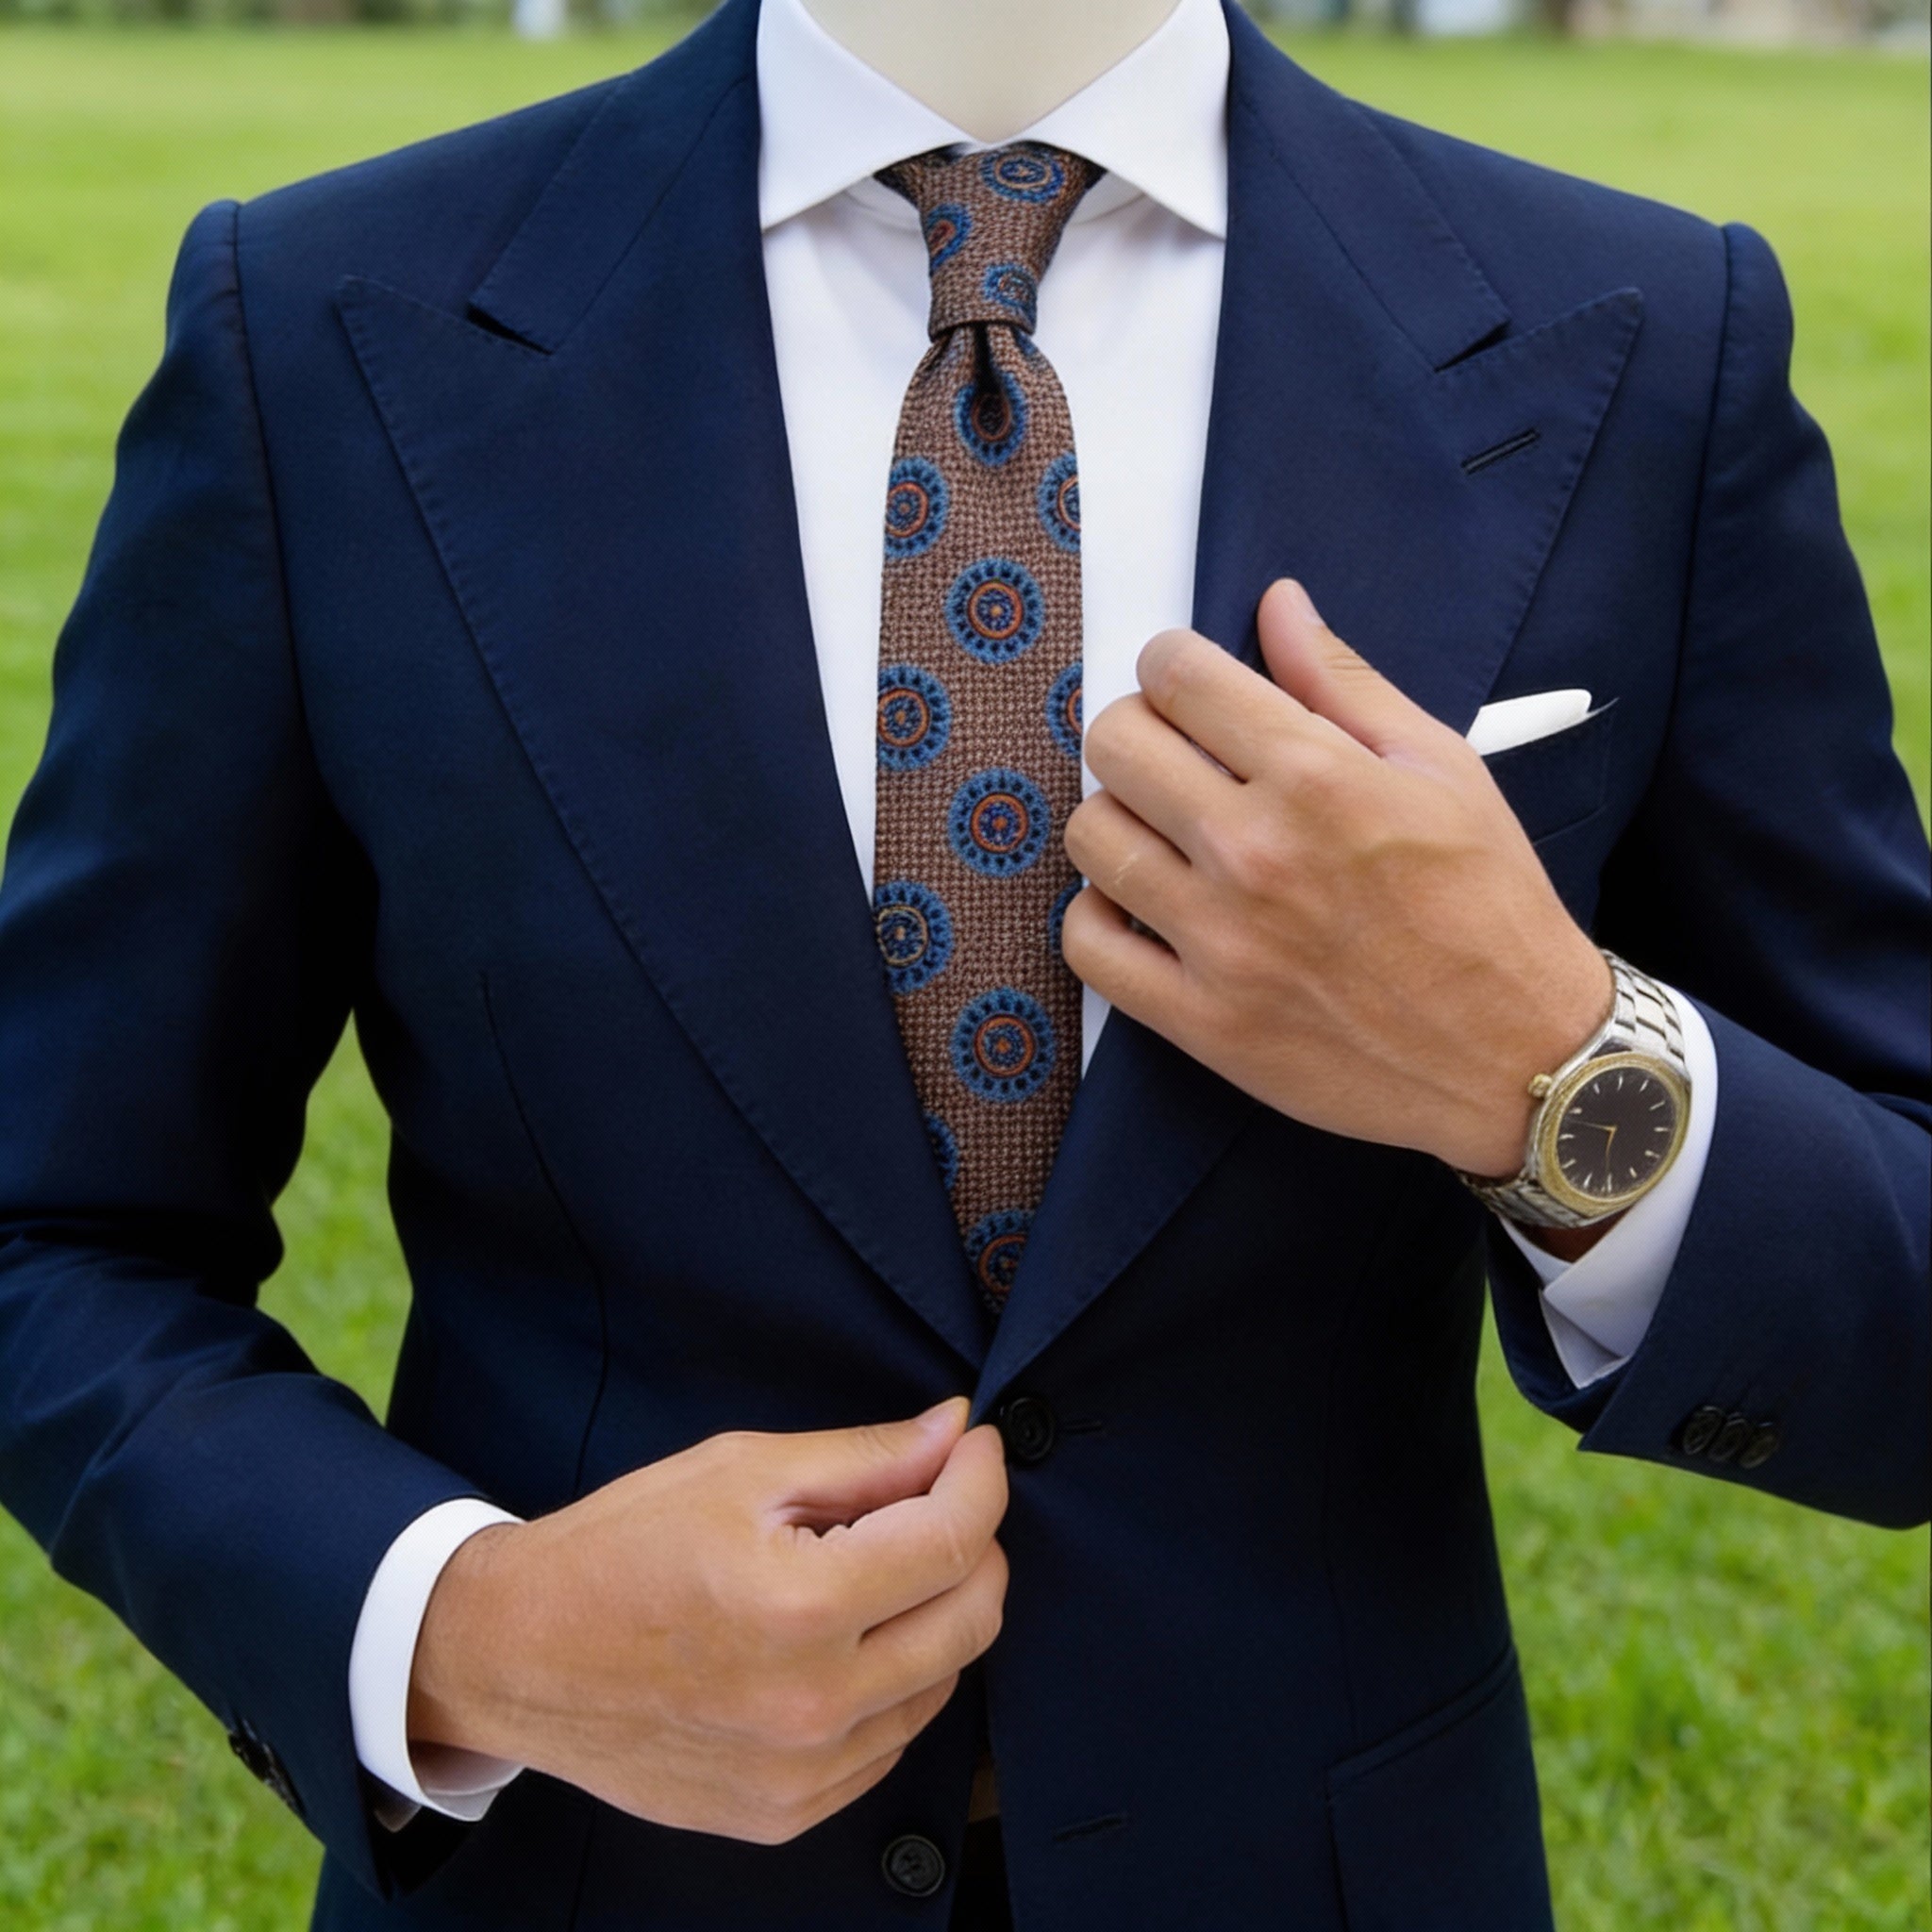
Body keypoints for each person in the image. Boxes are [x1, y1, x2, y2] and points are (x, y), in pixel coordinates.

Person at [0, 0, 1924, 1926]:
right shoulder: (325, 325)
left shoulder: (1643, 339)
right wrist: (464, 1627)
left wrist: (1549, 1057)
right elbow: (55, 1230)